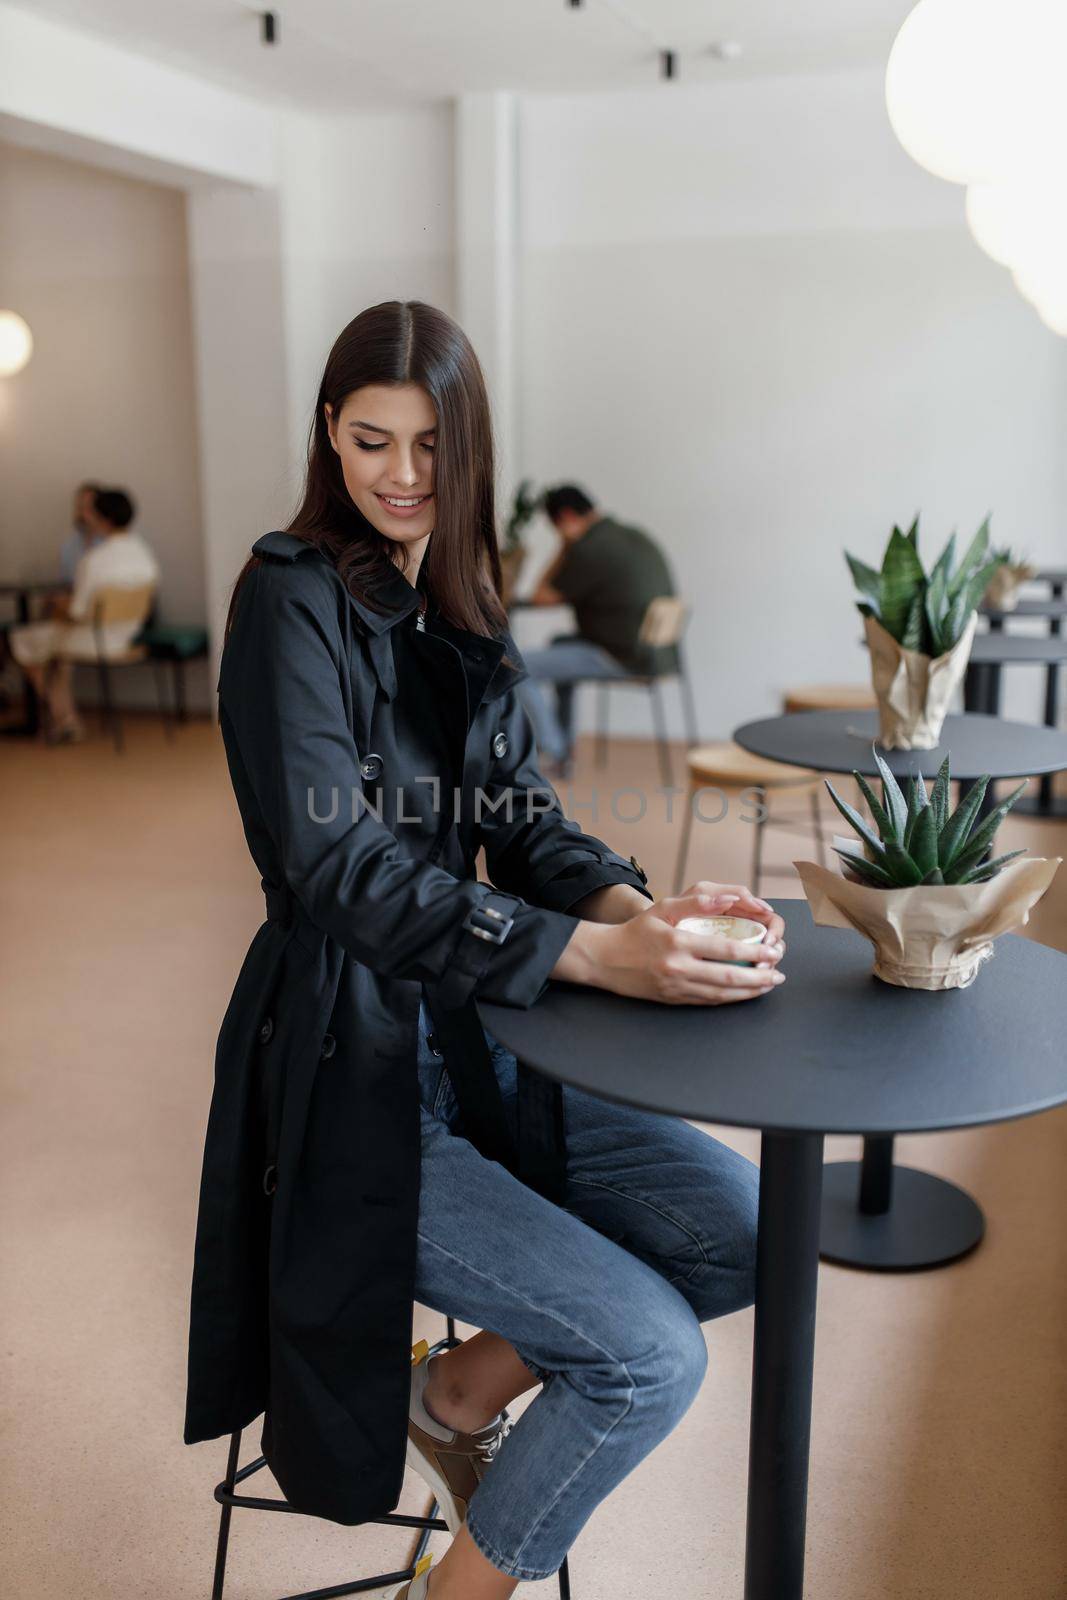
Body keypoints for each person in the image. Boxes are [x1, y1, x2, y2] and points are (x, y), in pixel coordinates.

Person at [183, 301, 786, 1600]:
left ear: (473, 451)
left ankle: (450, 1395)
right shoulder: (286, 598)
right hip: (352, 1067)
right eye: (368, 440)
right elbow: (332, 868)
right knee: (649, 1358)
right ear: (327, 438)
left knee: (748, 1230)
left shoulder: (459, 594)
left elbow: (519, 817)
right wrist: (582, 955)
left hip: (479, 1032)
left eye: (430, 446)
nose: (401, 475)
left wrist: (639, 918)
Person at [516, 486, 678, 771]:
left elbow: (541, 596)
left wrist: (563, 548)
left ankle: (552, 748)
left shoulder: (591, 547)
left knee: (517, 667)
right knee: (560, 643)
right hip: (658, 653)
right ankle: (564, 747)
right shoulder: (634, 536)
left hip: (623, 656)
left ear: (565, 517)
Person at [8, 487, 158, 742]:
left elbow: (78, 611)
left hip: (95, 638)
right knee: (53, 648)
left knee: (22, 640)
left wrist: (59, 605)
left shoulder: (95, 560)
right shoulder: (143, 553)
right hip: (129, 635)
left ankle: (64, 718)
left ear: (102, 519)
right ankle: (64, 720)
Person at [58, 481, 102, 584]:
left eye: (88, 508)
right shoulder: (68, 547)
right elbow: (64, 586)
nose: (82, 514)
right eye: (79, 507)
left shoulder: (111, 544)